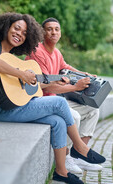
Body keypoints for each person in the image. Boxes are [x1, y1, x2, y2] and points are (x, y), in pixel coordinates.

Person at [0, 12, 105, 184]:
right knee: (59, 102)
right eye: (16, 28)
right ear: (5, 27)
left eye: (25, 33)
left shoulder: (12, 57)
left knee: (58, 121)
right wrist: (21, 74)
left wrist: (30, 78)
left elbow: (20, 86)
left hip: (12, 104)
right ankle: (80, 147)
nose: (20, 34)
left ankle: (61, 171)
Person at [25, 17, 102, 173]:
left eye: (57, 29)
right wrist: (75, 86)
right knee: (74, 116)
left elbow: (65, 67)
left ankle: (79, 156)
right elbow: (47, 84)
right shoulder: (37, 52)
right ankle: (66, 159)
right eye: (49, 29)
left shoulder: (56, 52)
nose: (53, 32)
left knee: (93, 110)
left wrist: (83, 74)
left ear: (60, 33)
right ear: (42, 32)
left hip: (54, 100)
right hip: (40, 101)